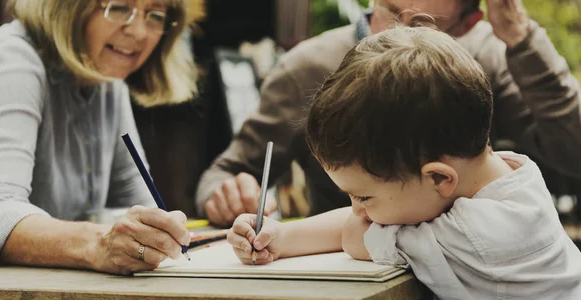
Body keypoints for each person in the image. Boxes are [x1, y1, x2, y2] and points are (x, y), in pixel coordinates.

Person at [227, 25, 581, 299]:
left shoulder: (475, 237)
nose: (358, 209)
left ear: (440, 179)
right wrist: (281, 235)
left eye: (364, 197)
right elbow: (369, 223)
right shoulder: (512, 174)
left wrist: (289, 235)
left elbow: (356, 235)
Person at [196, 0, 581, 226]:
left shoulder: (486, 58)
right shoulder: (307, 68)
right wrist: (224, 195)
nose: (396, 36)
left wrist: (522, 40)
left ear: (468, 26)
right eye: (390, 12)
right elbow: (224, 172)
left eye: (423, 27)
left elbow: (574, 152)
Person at [0, 0, 202, 275]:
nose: (139, 32)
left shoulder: (107, 77)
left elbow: (138, 202)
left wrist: (159, 232)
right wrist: (99, 244)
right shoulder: (12, 60)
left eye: (155, 15)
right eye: (119, 7)